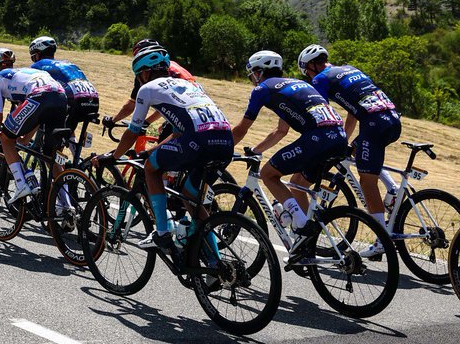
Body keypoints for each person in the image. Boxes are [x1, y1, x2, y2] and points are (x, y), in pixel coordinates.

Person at [96, 45, 233, 252]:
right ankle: (216, 263)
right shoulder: (191, 86)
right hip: (226, 142)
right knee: (191, 198)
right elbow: (177, 133)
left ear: (145, 73)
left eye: (138, 76)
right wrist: (151, 151)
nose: (139, 80)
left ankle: (162, 232)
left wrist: (114, 156)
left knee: (151, 168)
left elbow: (133, 132)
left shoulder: (147, 89)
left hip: (199, 142)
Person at [231, 50, 348, 255]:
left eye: (252, 75)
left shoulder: (262, 89)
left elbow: (242, 128)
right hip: (339, 137)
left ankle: (302, 224)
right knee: (298, 184)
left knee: (268, 174)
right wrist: (256, 151)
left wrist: (224, 149)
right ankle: (306, 244)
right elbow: (281, 131)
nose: (252, 79)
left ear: (259, 72)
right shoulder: (296, 84)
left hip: (319, 138)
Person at [299, 44, 402, 227]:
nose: (309, 76)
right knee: (356, 150)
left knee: (367, 182)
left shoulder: (320, 79)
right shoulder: (350, 69)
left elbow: (323, 113)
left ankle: (382, 236)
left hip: (374, 124)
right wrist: (344, 139)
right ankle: (391, 187)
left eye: (307, 72)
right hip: (392, 119)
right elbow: (353, 112)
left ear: (312, 66)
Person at [0, 48, 69, 202]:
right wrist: (25, 139)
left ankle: (21, 184)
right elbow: (36, 116)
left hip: (40, 95)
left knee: (6, 138)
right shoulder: (23, 74)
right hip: (60, 97)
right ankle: (66, 205)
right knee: (50, 155)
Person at [28, 36, 100, 153]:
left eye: (33, 56)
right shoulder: (67, 63)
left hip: (74, 100)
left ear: (38, 54)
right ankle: (76, 157)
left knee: (51, 145)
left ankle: (54, 159)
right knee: (67, 126)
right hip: (93, 100)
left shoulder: (38, 65)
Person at [105, 38, 197, 128]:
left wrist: (113, 120)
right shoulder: (165, 64)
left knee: (166, 131)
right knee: (162, 129)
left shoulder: (150, 70)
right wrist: (146, 122)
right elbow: (168, 104)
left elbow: (132, 105)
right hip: (195, 105)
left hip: (189, 110)